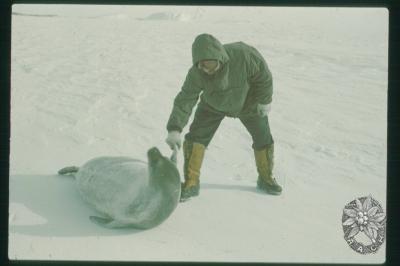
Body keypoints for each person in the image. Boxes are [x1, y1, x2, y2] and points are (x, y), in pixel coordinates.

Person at [165, 33, 282, 201]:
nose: (206, 70)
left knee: (263, 137)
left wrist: (264, 101)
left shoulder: (243, 55)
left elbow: (263, 76)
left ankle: (266, 178)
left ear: (219, 57)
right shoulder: (196, 73)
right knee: (196, 138)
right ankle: (191, 183)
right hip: (213, 106)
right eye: (202, 66)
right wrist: (175, 129)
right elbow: (185, 99)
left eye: (210, 65)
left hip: (248, 103)